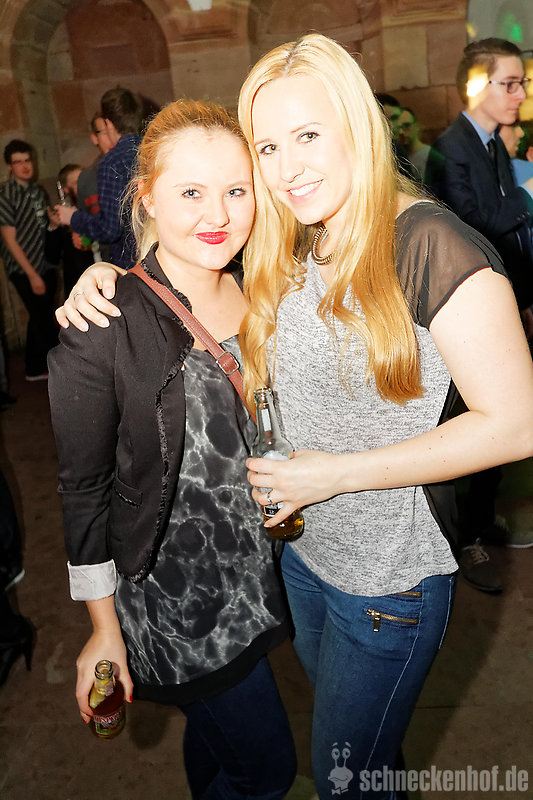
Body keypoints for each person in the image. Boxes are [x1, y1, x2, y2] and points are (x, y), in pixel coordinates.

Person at [56, 34, 533, 800]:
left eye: (307, 135)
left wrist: (333, 475)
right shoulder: (295, 245)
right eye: (268, 148)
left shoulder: (426, 243)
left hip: (384, 582)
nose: (287, 169)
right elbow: (186, 286)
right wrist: (108, 275)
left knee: (344, 775)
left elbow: (516, 423)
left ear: (355, 125)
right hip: (299, 567)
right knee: (362, 759)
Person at [48, 98, 296, 799]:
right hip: (179, 602)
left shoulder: (263, 289)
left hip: (259, 571)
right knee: (267, 773)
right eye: (191, 193)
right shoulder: (105, 324)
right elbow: (82, 490)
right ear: (147, 198)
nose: (218, 215)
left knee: (216, 746)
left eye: (236, 191)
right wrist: (102, 629)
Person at [427, 38, 533, 590]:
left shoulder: (491, 144)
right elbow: (476, 227)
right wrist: (528, 190)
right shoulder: (451, 147)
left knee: (505, 419)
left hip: (505, 300)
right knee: (472, 425)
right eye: (510, 83)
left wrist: (525, 300)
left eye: (522, 83)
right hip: (466, 315)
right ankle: (462, 541)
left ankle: (481, 519)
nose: (520, 94)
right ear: (475, 86)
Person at [55, 87, 142, 270]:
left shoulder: (111, 162)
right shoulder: (155, 151)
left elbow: (110, 229)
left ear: (109, 124)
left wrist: (73, 218)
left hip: (129, 265)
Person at [0, 139, 61, 381]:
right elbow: (9, 240)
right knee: (42, 316)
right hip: (23, 268)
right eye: (18, 162)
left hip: (44, 263)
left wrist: (53, 224)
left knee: (40, 315)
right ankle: (47, 369)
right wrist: (32, 275)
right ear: (9, 166)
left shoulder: (37, 192)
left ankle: (34, 367)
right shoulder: (6, 194)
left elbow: (44, 228)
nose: (25, 166)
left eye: (27, 160)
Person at [56, 164, 95, 298]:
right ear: (66, 189)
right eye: (77, 183)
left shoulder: (96, 203)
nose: (84, 185)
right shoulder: (66, 215)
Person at [397, 107, 431, 185]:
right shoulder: (399, 155)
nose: (401, 132)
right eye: (399, 127)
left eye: (406, 126)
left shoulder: (430, 156)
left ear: (416, 126)